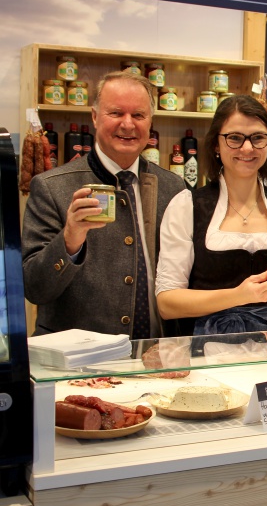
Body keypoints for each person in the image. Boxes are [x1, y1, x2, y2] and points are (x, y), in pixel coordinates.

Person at [22, 71, 185, 339]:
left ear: (150, 121)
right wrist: (70, 240)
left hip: (156, 360)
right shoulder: (51, 187)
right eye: (116, 113)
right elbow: (35, 288)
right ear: (95, 117)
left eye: (138, 115)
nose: (128, 124)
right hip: (78, 364)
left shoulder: (173, 188)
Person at [156, 94, 267, 335]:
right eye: (235, 138)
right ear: (216, 144)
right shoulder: (187, 206)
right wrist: (239, 296)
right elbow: (167, 304)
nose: (247, 148)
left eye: (258, 138)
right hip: (206, 354)